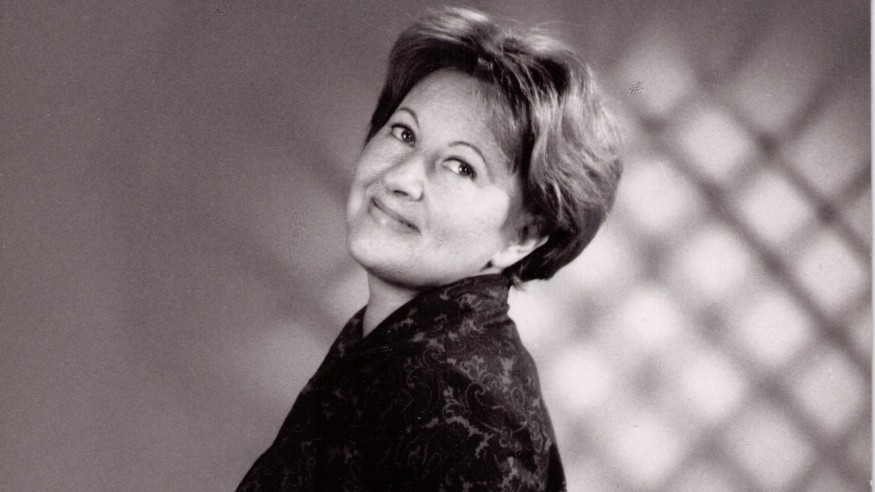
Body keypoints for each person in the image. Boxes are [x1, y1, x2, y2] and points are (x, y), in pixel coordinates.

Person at [236, 7, 622, 491]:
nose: (400, 178)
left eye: (461, 166)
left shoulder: (456, 395)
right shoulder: (404, 343)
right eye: (404, 133)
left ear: (522, 237)